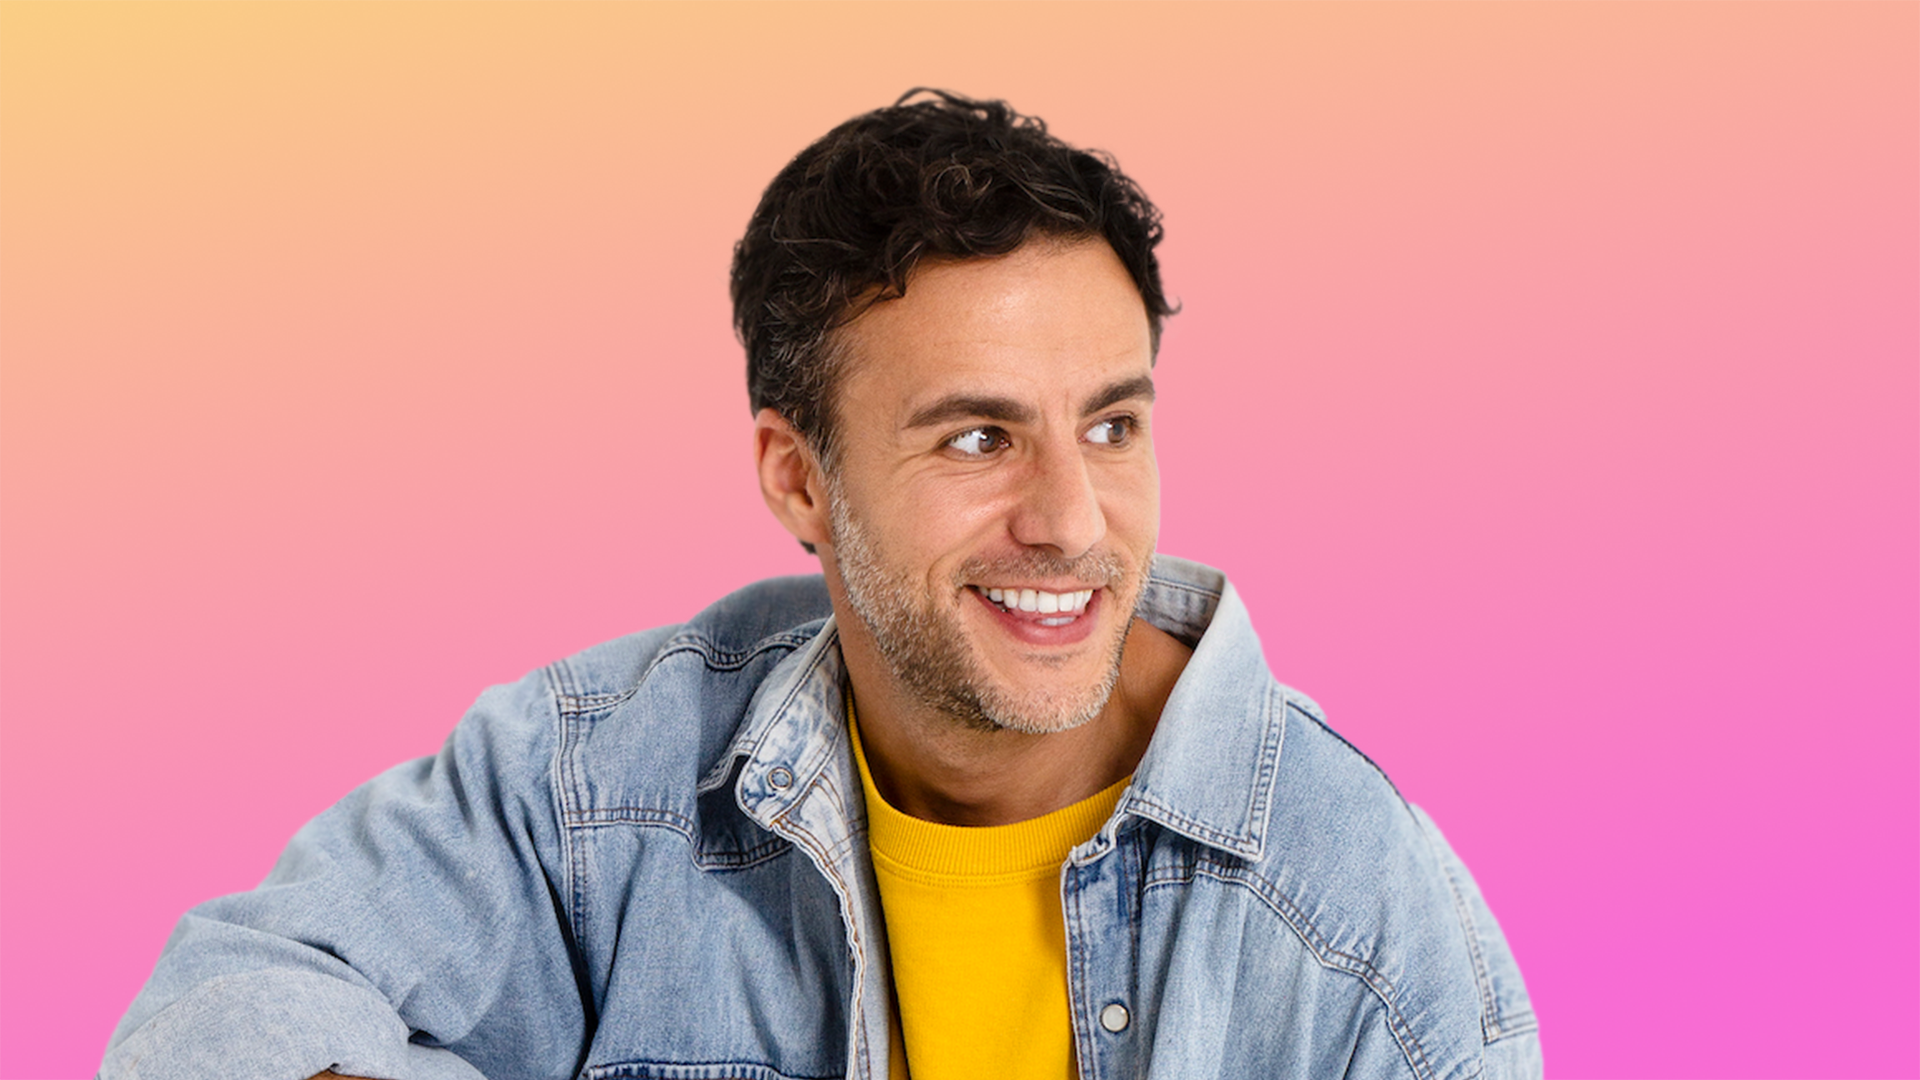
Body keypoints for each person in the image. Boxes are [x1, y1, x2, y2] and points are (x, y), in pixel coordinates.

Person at [101, 90, 1540, 1080]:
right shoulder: (602, 779)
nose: (1070, 520)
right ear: (798, 480)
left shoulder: (1353, 916)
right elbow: (222, 1004)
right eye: (977, 438)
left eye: (1111, 427)